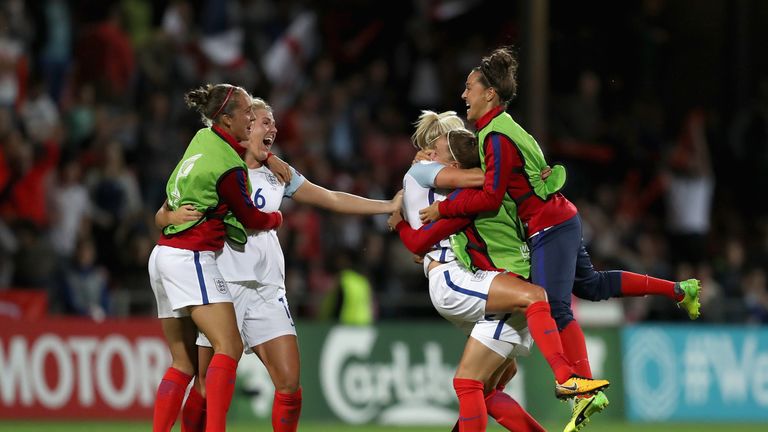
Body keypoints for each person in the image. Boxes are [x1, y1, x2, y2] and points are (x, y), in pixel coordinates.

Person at [419, 47, 702, 432]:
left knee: (554, 307)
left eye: (469, 88)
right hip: (560, 216)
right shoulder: (506, 128)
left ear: (490, 94)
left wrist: (442, 210)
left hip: (548, 225)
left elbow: (491, 195)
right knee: (592, 285)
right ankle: (678, 290)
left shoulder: (494, 136)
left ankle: (579, 386)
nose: (463, 95)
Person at [157, 97, 402, 432]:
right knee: (204, 386)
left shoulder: (279, 175)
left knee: (289, 383)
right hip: (222, 285)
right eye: (263, 121)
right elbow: (168, 207)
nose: (272, 127)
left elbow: (330, 197)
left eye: (273, 122)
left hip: (267, 290)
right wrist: (169, 215)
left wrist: (386, 205)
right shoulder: (221, 164)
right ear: (244, 126)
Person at [390, 111, 607, 432]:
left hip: (490, 281)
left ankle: (568, 381)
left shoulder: (468, 195)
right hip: (455, 277)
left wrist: (405, 226)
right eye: (457, 143)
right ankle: (567, 378)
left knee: (483, 386)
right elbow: (429, 233)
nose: (468, 148)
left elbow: (424, 237)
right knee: (474, 379)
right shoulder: (427, 172)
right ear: (434, 151)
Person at [148, 83, 283, 432]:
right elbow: (252, 218)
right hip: (190, 256)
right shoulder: (228, 167)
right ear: (226, 118)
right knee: (229, 344)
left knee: (183, 364)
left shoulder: (201, 140)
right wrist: (276, 218)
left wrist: (164, 218)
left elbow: (165, 206)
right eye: (247, 114)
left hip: (162, 253)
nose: (252, 119)